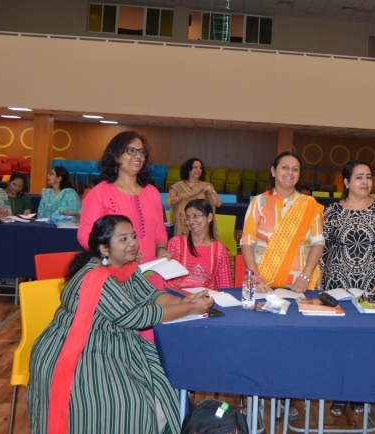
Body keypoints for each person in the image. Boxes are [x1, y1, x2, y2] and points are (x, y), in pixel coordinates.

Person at [27, 215, 213, 434]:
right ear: (104, 249)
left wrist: (185, 302)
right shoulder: (97, 278)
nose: (133, 243)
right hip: (80, 353)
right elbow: (135, 317)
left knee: (167, 386)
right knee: (131, 403)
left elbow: (152, 296)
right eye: (123, 239)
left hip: (114, 347)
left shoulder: (125, 268)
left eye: (133, 236)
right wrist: (190, 309)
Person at [78, 131, 171, 341]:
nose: (138, 156)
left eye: (142, 152)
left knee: (153, 334)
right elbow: (86, 236)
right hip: (117, 278)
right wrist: (117, 258)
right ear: (115, 155)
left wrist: (161, 249)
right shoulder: (100, 193)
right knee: (124, 338)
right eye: (131, 150)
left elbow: (159, 231)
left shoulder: (152, 192)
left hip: (151, 274)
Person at [241, 151, 324, 294]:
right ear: (273, 171)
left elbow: (318, 243)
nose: (290, 172)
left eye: (295, 169)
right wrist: (256, 278)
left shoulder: (310, 205)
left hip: (300, 284)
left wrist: (305, 276)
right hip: (264, 283)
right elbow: (247, 241)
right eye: (284, 167)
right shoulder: (259, 202)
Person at [321, 160, 375, 294]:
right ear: (347, 182)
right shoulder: (333, 210)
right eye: (359, 177)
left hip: (372, 284)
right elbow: (323, 247)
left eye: (368, 177)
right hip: (336, 282)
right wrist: (319, 276)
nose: (365, 182)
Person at [165, 199, 231, 290]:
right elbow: (166, 280)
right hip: (179, 296)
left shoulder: (219, 249)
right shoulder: (175, 243)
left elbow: (225, 285)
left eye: (195, 216)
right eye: (188, 217)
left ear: (209, 217)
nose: (191, 221)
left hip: (207, 297)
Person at [166, 158, 221, 237]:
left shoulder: (206, 186)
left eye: (200, 168)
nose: (198, 170)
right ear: (188, 169)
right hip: (182, 226)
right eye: (195, 167)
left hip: (200, 227)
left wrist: (210, 190)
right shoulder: (178, 187)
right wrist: (180, 197)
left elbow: (217, 203)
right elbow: (169, 202)